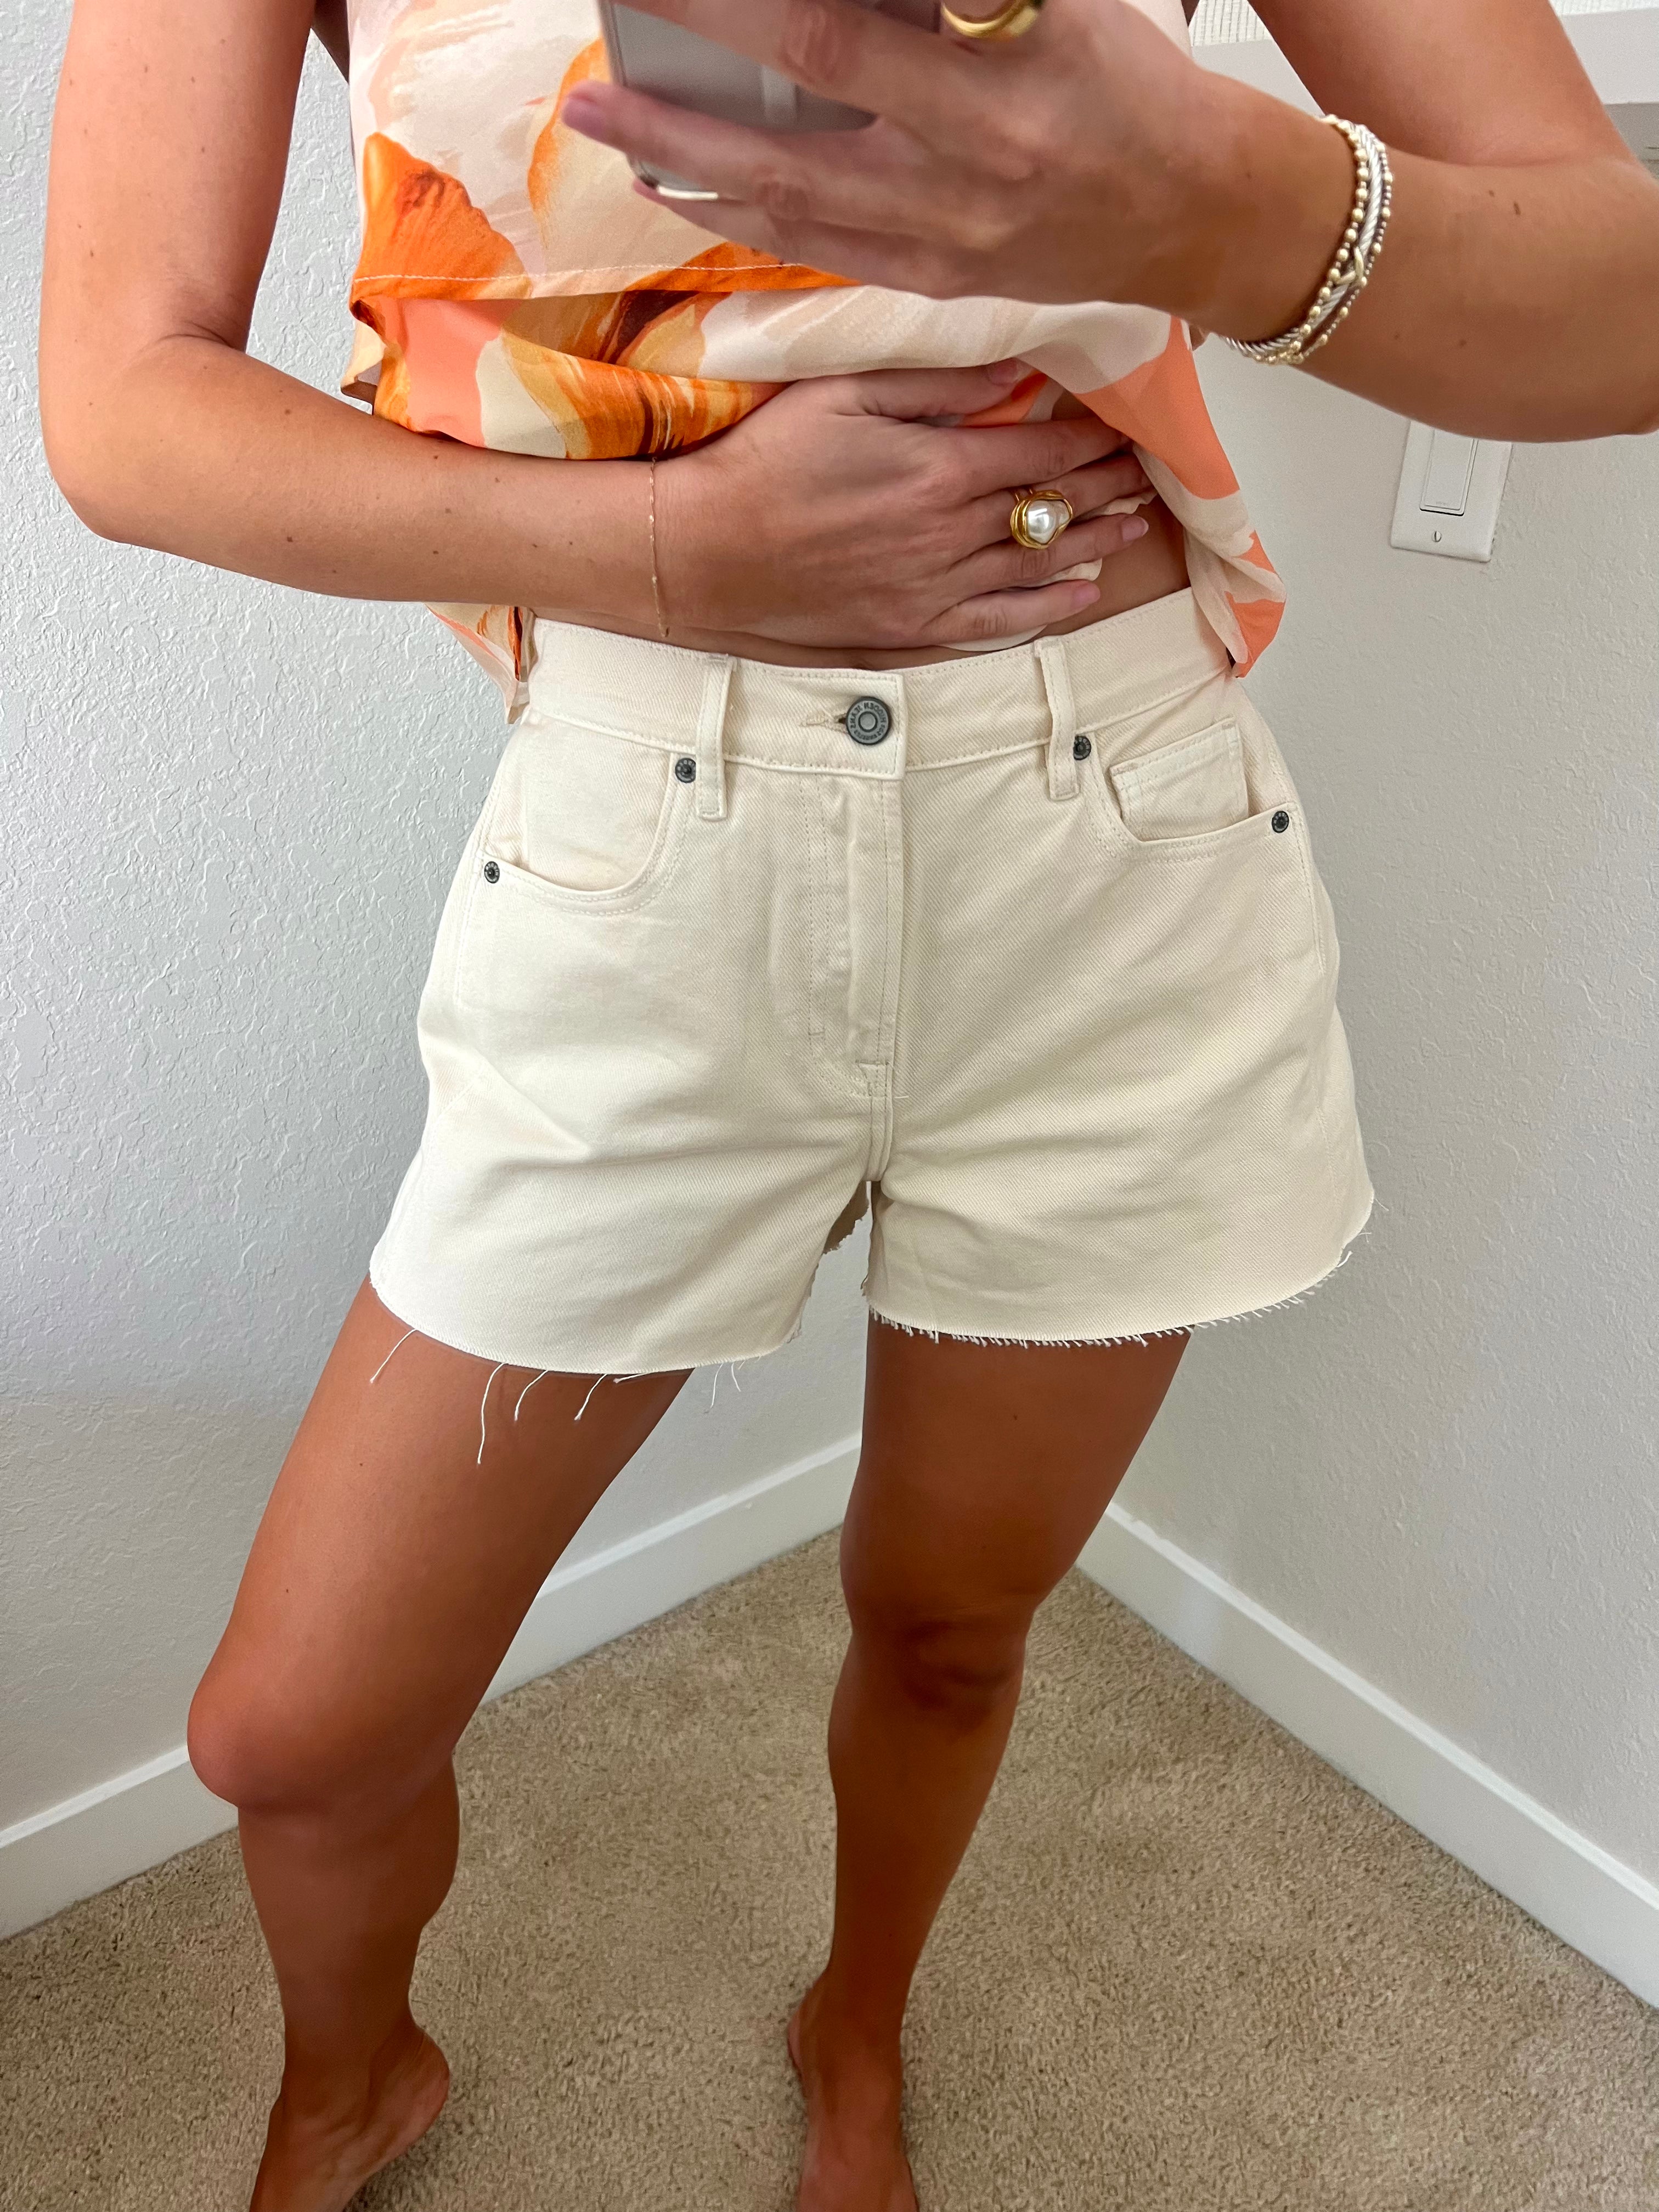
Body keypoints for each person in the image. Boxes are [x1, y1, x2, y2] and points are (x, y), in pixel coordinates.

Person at [35, 0, 1655, 2206]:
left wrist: (1212, 192)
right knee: (295, 1734)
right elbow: (123, 405)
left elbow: (1616, 302)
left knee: (952, 1620)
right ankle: (350, 2076)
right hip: (643, 824)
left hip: (1112, 834)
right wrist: (683, 556)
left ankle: (858, 2031)